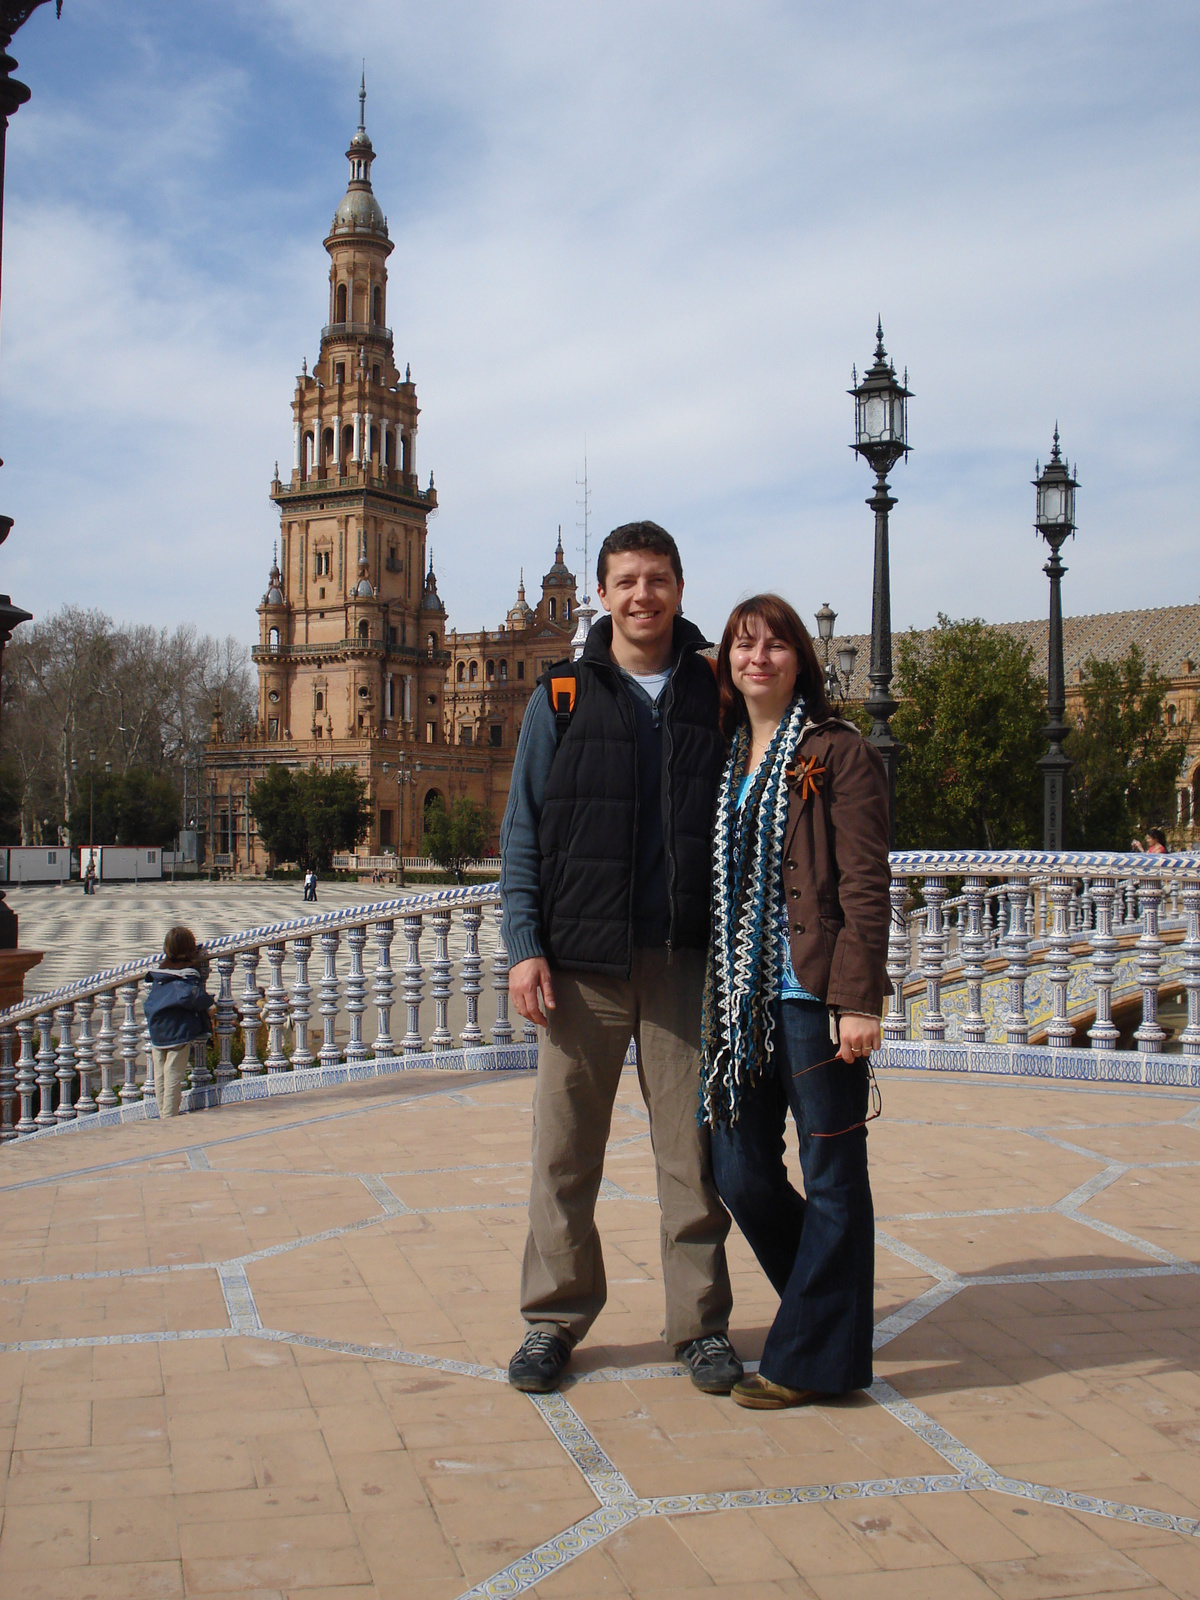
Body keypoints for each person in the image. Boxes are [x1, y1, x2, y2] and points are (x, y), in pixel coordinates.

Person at [499, 520, 739, 1396]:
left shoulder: (714, 693)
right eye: (627, 580)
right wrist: (525, 947)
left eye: (659, 579)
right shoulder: (561, 693)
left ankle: (701, 1325)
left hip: (684, 961)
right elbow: (522, 828)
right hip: (581, 965)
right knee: (564, 1154)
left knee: (692, 1153)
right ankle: (553, 1320)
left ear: (680, 587)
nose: (644, 595)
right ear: (601, 594)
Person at [701, 595, 891, 1409]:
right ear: (727, 662)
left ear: (799, 662)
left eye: (776, 645)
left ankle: (811, 1352)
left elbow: (864, 884)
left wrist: (857, 999)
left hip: (813, 997)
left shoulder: (837, 752)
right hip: (740, 1004)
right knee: (737, 1168)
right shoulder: (725, 755)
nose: (759, 658)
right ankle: (829, 1317)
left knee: (833, 1172)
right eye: (744, 645)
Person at [143, 924, 216, 1118]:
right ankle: (168, 1116)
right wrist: (210, 1001)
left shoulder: (161, 971)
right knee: (173, 1073)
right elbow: (192, 998)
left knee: (160, 1073)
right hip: (177, 1030)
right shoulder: (185, 974)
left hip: (157, 1027)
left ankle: (162, 1111)